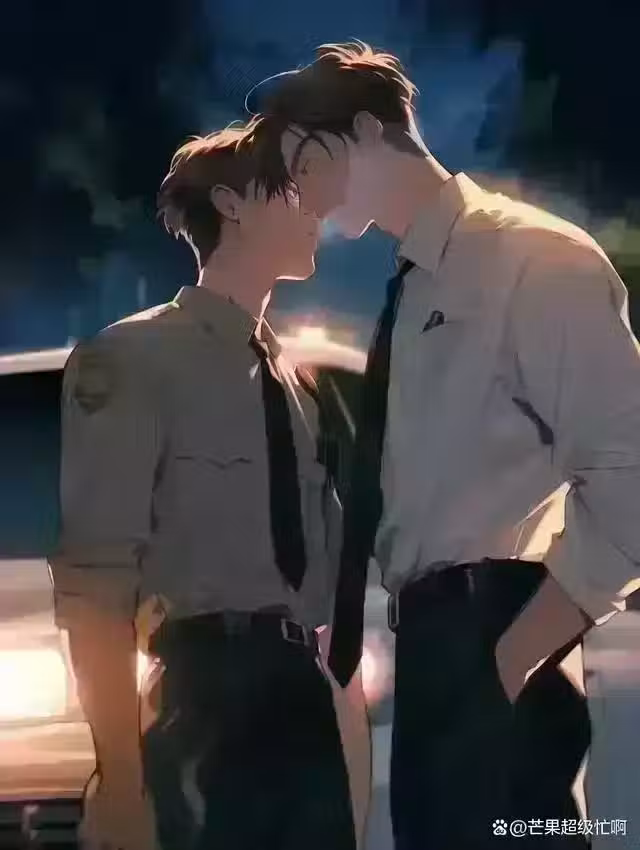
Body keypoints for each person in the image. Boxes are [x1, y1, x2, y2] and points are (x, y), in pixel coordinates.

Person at [245, 42, 640, 849]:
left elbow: (630, 479)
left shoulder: (531, 257)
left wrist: (509, 661)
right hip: (434, 649)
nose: (303, 193)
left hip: (492, 629)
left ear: (366, 131)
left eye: (307, 164)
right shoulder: (418, 282)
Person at [49, 118, 370, 850]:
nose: (316, 210)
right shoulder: (133, 359)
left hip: (300, 703)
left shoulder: (297, 385)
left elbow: (323, 598)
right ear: (230, 204)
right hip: (203, 696)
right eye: (293, 191)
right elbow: (96, 583)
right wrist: (120, 779)